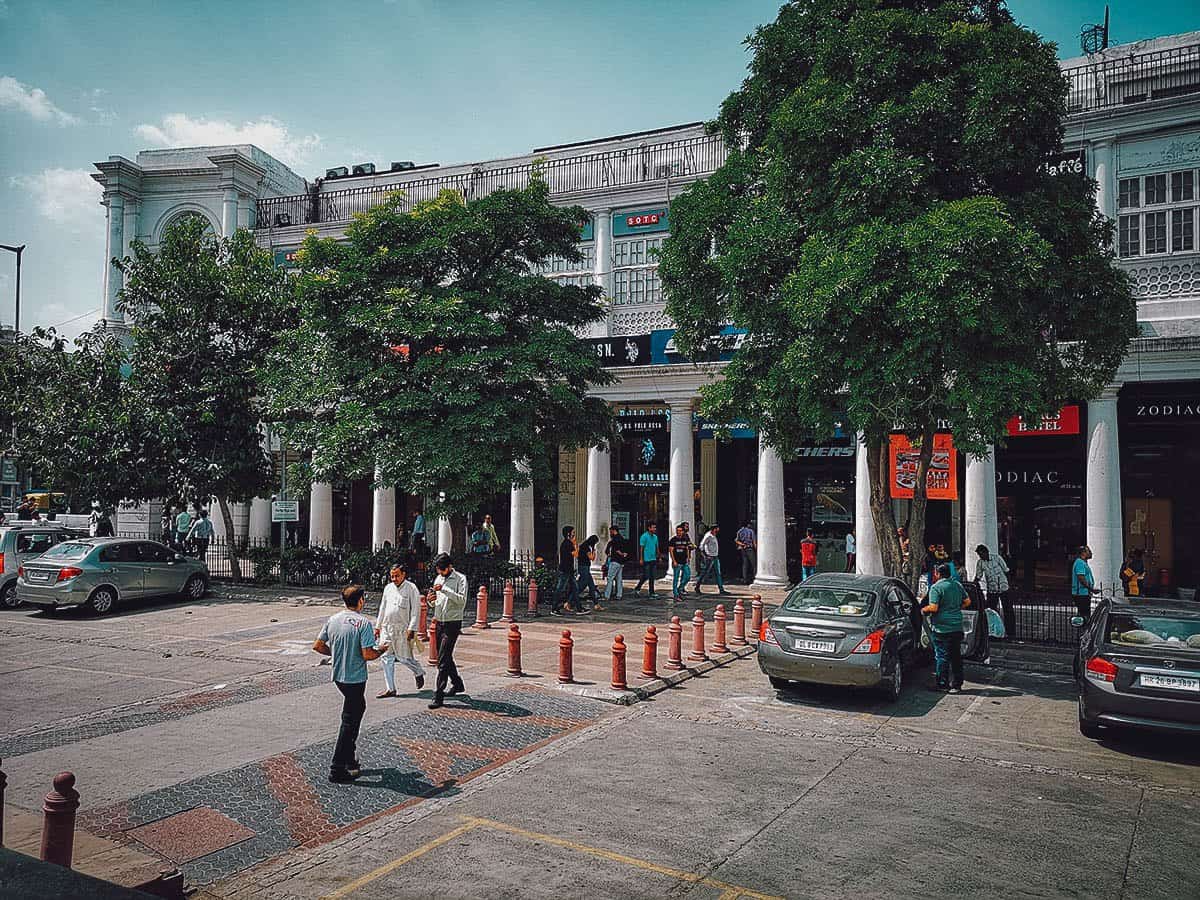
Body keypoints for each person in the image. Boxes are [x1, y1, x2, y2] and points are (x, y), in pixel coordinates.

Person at [313, 585, 388, 783]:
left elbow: (318, 645)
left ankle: (350, 760)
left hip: (338, 676)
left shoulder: (333, 619)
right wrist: (382, 650)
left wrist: (337, 653)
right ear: (361, 600)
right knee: (350, 722)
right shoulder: (363, 623)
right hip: (355, 678)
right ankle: (337, 767)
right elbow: (367, 654)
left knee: (354, 712)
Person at [376, 564, 425, 697]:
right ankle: (390, 688)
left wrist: (412, 628)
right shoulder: (388, 588)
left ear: (404, 574)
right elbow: (382, 608)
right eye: (392, 576)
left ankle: (418, 671)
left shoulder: (411, 588)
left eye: (397, 575)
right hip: (387, 628)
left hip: (403, 629)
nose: (394, 578)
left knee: (404, 658)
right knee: (385, 657)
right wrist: (378, 626)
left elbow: (416, 610)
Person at [427, 554, 468, 709]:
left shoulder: (460, 579)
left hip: (453, 623)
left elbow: (462, 601)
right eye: (438, 570)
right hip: (439, 621)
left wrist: (444, 589)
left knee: (442, 660)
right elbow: (435, 602)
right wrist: (431, 600)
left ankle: (438, 694)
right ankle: (457, 683)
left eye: (442, 570)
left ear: (450, 566)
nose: (441, 573)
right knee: (444, 655)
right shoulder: (438, 578)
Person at [922, 563, 969, 693]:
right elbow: (967, 602)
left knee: (942, 656)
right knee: (956, 656)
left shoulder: (936, 588)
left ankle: (942, 684)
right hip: (956, 626)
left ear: (937, 574)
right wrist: (955, 609)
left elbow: (934, 607)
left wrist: (923, 610)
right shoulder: (957, 585)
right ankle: (957, 684)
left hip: (942, 628)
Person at [973, 544, 1013, 638]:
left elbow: (1006, 570)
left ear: (986, 552)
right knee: (991, 610)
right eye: (979, 554)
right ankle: (993, 632)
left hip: (1003, 587)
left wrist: (1010, 585)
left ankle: (1011, 632)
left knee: (1008, 610)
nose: (980, 556)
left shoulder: (997, 558)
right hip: (992, 589)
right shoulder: (980, 563)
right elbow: (978, 576)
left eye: (981, 553)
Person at [553, 526, 581, 615]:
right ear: (568, 534)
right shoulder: (568, 543)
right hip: (565, 570)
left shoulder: (566, 543)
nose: (574, 534)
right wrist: (575, 544)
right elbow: (576, 554)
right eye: (573, 532)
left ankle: (579, 608)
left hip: (569, 570)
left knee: (575, 589)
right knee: (560, 589)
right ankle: (554, 608)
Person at [695, 524, 729, 595]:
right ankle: (697, 586)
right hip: (710, 557)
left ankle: (721, 589)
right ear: (714, 529)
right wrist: (705, 555)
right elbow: (701, 545)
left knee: (718, 573)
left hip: (715, 556)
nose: (718, 530)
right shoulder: (708, 536)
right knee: (704, 573)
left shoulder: (713, 535)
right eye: (717, 528)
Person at [668, 524, 694, 602]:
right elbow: (671, 551)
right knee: (675, 578)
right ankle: (676, 594)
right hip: (677, 562)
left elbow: (687, 548)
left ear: (683, 531)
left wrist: (688, 557)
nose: (678, 532)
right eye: (677, 531)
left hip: (684, 561)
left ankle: (680, 588)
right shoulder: (673, 540)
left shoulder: (685, 539)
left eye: (680, 531)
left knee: (687, 576)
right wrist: (674, 561)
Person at [1072, 545, 1099, 620]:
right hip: (1081, 593)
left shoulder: (1082, 563)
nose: (1091, 553)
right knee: (1084, 615)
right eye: (1089, 551)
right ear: (1083, 553)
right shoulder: (1080, 563)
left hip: (1084, 593)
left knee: (1084, 614)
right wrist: (1091, 589)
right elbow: (1081, 578)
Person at [633, 522, 660, 598]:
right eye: (653, 527)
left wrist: (659, 556)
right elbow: (641, 548)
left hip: (653, 558)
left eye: (655, 527)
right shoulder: (644, 536)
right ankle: (638, 588)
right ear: (649, 528)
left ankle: (652, 592)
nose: (654, 529)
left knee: (652, 576)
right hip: (646, 558)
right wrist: (641, 558)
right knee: (646, 575)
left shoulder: (655, 537)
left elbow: (656, 547)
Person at [603, 525, 629, 603]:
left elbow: (616, 550)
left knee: (610, 578)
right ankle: (619, 594)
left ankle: (607, 595)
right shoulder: (622, 539)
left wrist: (620, 554)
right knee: (619, 579)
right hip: (621, 562)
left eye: (611, 531)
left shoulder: (614, 540)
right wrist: (623, 555)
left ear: (614, 531)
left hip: (614, 561)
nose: (610, 533)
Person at [576, 535, 601, 611]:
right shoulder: (586, 548)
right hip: (584, 568)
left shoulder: (583, 546)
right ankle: (569, 601)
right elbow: (592, 558)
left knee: (592, 586)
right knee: (581, 586)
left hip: (583, 567)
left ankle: (596, 604)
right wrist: (594, 550)